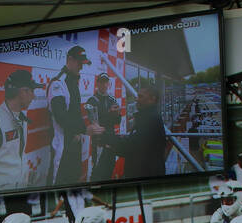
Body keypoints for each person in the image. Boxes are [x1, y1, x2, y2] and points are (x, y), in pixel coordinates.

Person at [47, 46, 102, 187]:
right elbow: (60, 116)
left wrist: (79, 132)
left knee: (73, 186)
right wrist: (84, 129)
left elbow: (75, 112)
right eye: (79, 63)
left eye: (83, 64)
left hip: (74, 144)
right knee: (57, 187)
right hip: (61, 146)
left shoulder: (73, 81)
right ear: (70, 60)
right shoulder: (58, 82)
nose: (81, 68)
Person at [98, 78, 166, 181]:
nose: (136, 99)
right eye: (137, 96)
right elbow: (135, 142)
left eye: (141, 96)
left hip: (145, 176)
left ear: (153, 99)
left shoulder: (150, 119)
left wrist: (104, 135)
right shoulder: (147, 116)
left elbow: (130, 147)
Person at [86, 73, 120, 179]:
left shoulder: (112, 99)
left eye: (106, 82)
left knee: (110, 168)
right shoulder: (92, 100)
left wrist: (116, 114)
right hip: (99, 141)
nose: (104, 85)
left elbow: (118, 121)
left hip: (111, 138)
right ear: (97, 83)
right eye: (102, 82)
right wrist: (109, 113)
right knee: (97, 170)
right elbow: (95, 122)